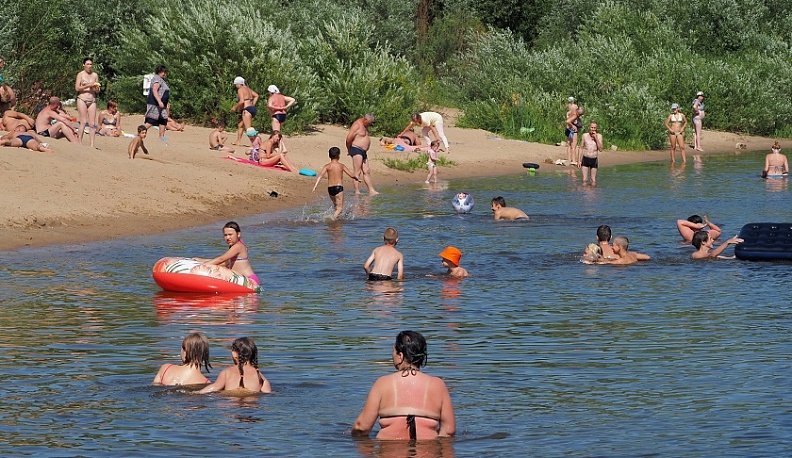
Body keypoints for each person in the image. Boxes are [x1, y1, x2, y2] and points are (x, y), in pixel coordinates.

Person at [352, 331, 455, 440]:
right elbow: (448, 431)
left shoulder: (382, 384)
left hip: (390, 450)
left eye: (394, 351)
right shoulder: (438, 385)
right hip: (427, 449)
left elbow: (362, 427)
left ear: (400, 356)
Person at [198, 337, 272, 394]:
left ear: (234, 353)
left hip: (230, 404)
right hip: (251, 407)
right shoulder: (261, 377)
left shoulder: (226, 373)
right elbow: (268, 393)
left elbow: (215, 387)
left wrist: (196, 393)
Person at [196, 221, 260, 286]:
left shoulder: (238, 246)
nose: (227, 238)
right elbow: (225, 263)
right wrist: (202, 260)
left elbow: (221, 259)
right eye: (225, 235)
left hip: (249, 281)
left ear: (238, 234)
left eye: (230, 234)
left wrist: (201, 266)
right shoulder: (234, 246)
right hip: (241, 279)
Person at [312, 146, 360, 219]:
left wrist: (315, 186)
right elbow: (351, 175)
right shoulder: (341, 166)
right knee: (340, 208)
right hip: (338, 188)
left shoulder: (327, 166)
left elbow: (320, 176)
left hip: (330, 189)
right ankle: (332, 219)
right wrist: (356, 178)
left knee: (336, 206)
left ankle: (335, 222)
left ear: (329, 155)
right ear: (338, 156)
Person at [346, 113, 379, 195]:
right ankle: (357, 191)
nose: (369, 125)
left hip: (363, 151)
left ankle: (371, 190)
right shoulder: (357, 125)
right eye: (369, 123)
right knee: (357, 171)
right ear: (365, 119)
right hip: (356, 149)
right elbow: (348, 139)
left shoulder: (365, 125)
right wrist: (349, 150)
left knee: (367, 171)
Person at [75, 57, 100, 148]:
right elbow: (77, 88)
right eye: (88, 64)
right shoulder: (80, 75)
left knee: (92, 124)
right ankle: (79, 143)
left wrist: (96, 88)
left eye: (91, 64)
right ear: (84, 65)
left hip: (92, 100)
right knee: (83, 121)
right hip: (82, 98)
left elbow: (97, 90)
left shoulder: (95, 75)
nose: (89, 66)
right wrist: (89, 85)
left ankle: (92, 145)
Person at [144, 65, 170, 141]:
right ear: (159, 72)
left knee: (163, 119)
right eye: (163, 72)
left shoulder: (161, 80)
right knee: (151, 119)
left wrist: (166, 102)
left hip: (162, 105)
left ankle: (161, 137)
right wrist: (159, 101)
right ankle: (141, 132)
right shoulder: (157, 79)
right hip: (155, 104)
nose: (165, 74)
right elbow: (155, 90)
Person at [232, 77, 259, 145]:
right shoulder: (248, 89)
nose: (236, 86)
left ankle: (256, 144)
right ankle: (238, 141)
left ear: (239, 84)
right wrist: (253, 104)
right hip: (251, 108)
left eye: (236, 84)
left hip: (247, 110)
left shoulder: (240, 89)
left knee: (249, 129)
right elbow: (256, 95)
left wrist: (234, 107)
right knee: (240, 125)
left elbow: (241, 101)